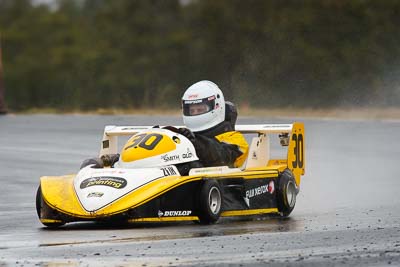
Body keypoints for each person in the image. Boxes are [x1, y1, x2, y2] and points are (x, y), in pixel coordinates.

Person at [178, 80, 248, 168]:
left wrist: (195, 142)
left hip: (222, 180)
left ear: (217, 106)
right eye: (192, 111)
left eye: (200, 110)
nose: (195, 113)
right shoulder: (184, 137)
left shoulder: (235, 139)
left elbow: (221, 157)